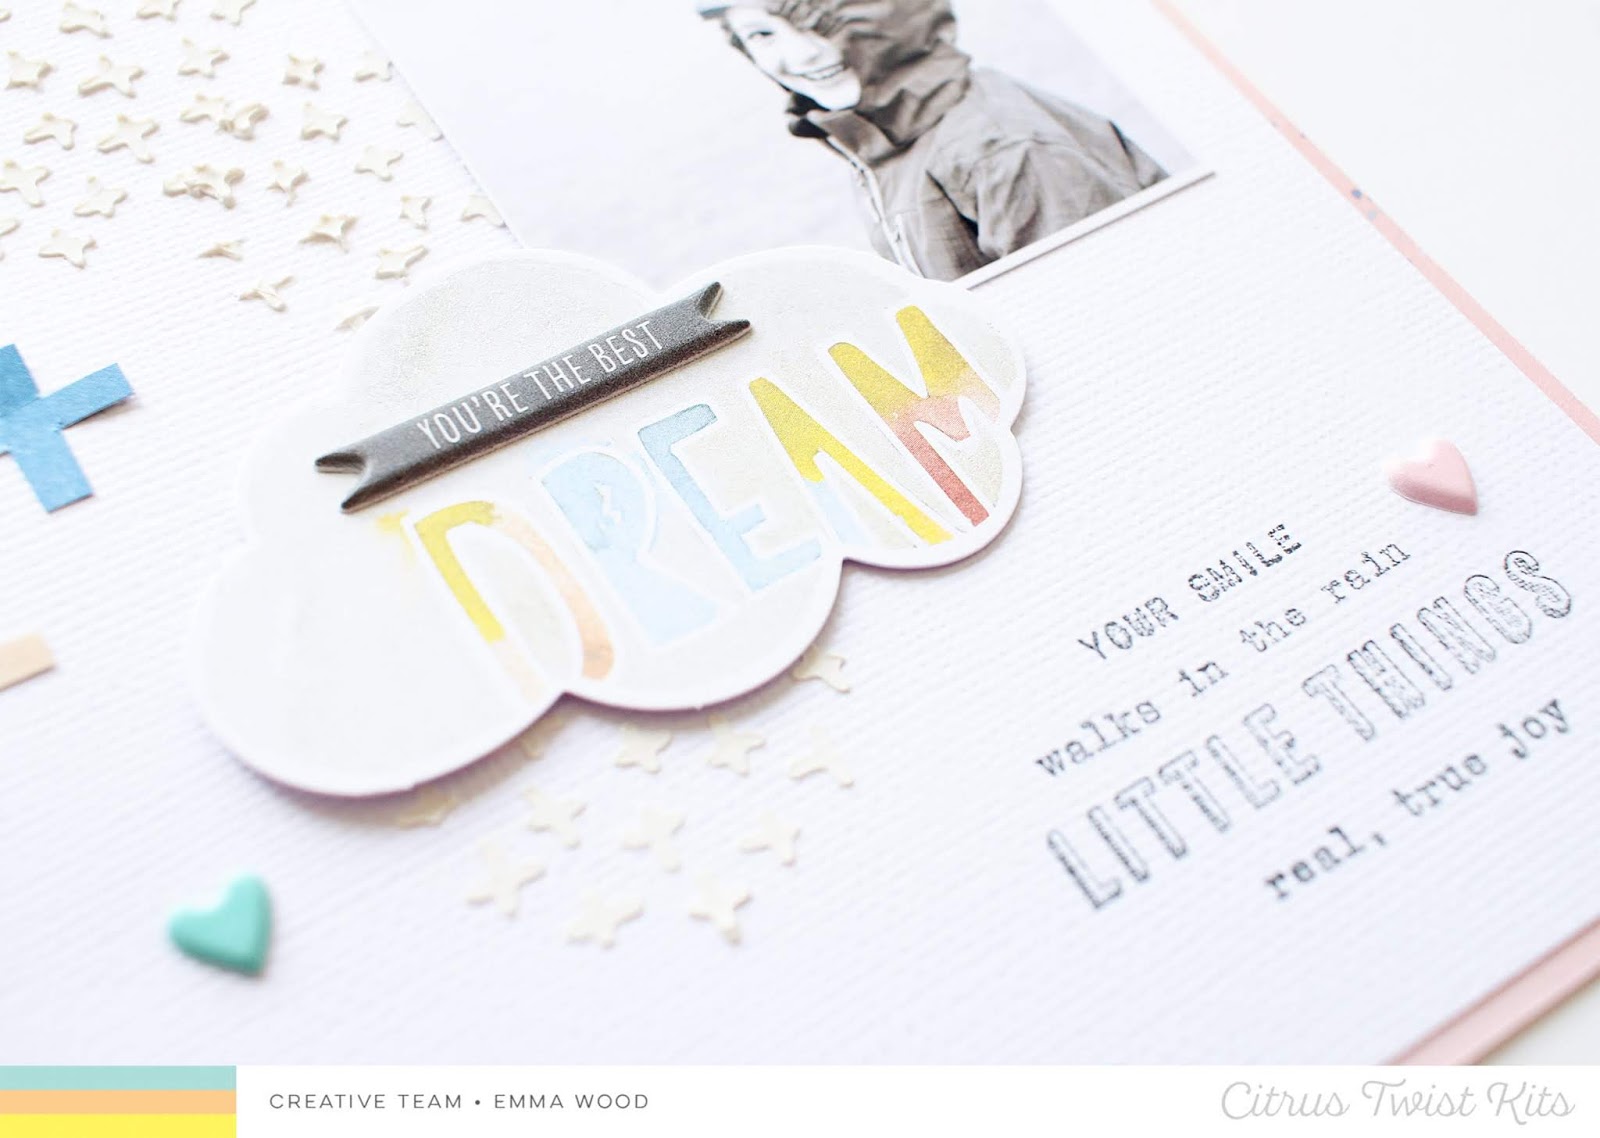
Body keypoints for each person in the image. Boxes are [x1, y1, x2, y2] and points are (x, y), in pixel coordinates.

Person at [700, 0, 1167, 280]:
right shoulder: (877, 138)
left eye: (824, 19)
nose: (801, 54)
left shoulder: (1000, 149)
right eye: (762, 35)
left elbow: (1107, 316)